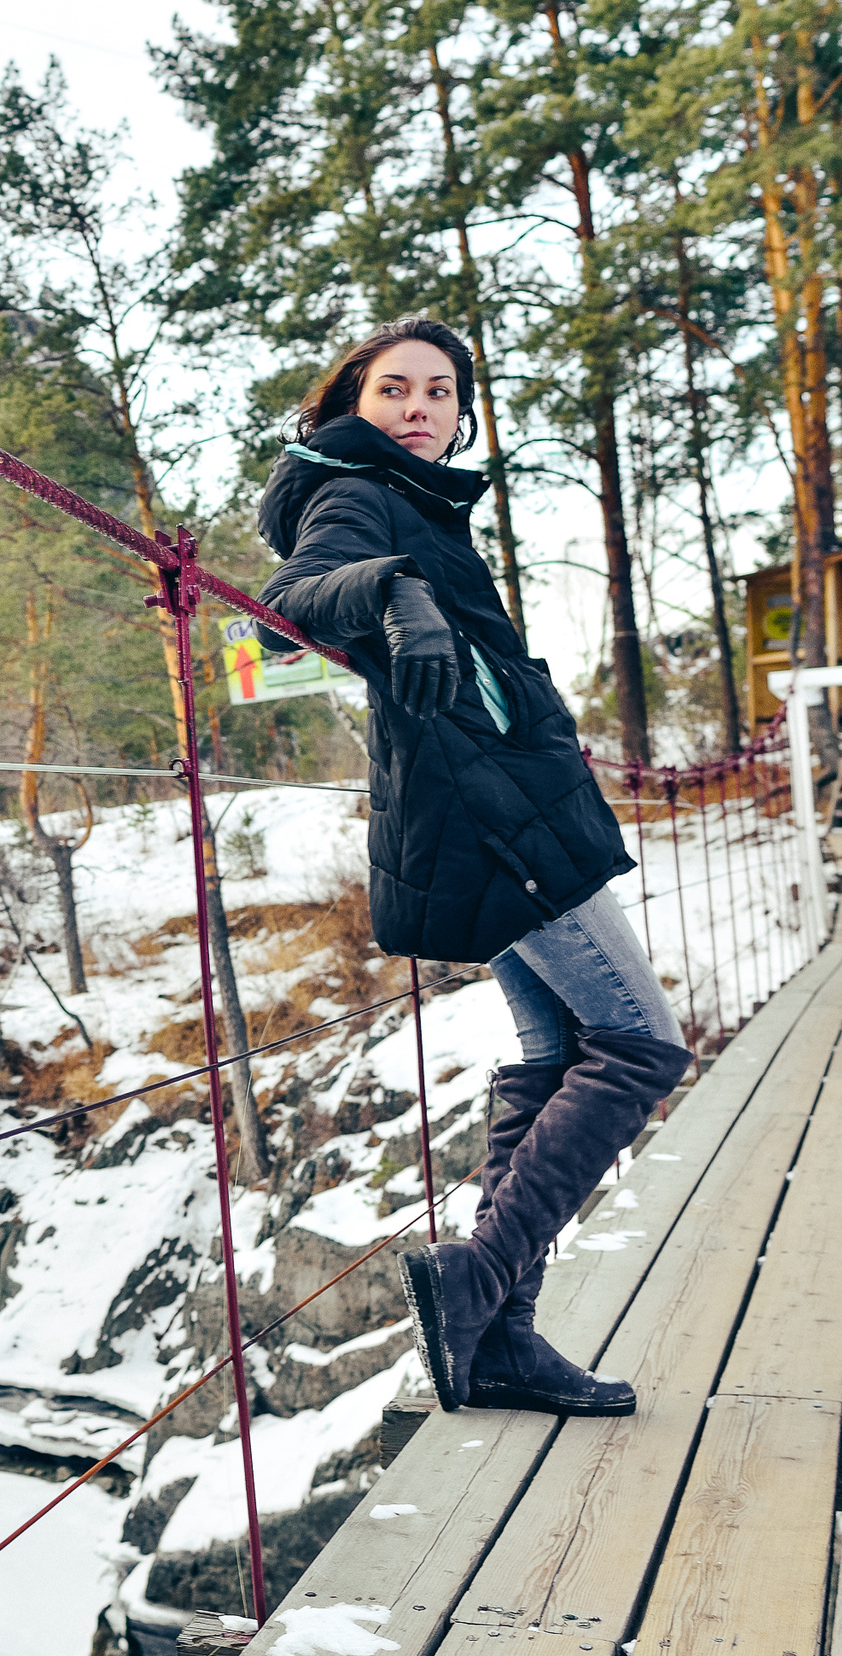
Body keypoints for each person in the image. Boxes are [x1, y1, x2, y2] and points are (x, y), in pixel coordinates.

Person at [254, 318, 693, 1418]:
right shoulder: (353, 493)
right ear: (348, 403)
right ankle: (474, 1279)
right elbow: (294, 598)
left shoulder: (408, 495)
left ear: (459, 414)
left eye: (439, 392)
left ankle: (501, 1344)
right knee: (640, 1043)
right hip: (489, 809)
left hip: (491, 802)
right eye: (393, 387)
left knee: (556, 1049)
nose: (418, 407)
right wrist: (398, 594)